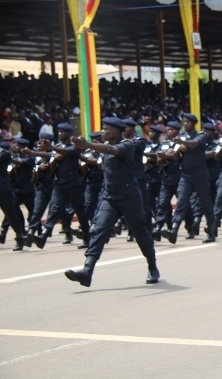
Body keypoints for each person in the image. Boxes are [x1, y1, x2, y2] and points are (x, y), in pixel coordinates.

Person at [64, 117, 160, 287]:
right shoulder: (104, 150)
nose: (102, 131)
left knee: (140, 233)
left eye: (105, 129)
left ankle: (152, 266)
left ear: (115, 131)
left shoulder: (127, 145)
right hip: (110, 197)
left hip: (130, 196)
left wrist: (88, 145)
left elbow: (111, 149)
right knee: (99, 231)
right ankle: (87, 271)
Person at [161, 113, 217, 244]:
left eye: (187, 121)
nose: (185, 124)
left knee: (205, 202)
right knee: (182, 202)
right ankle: (173, 231)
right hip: (185, 175)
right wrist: (178, 150)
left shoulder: (201, 135)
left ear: (193, 123)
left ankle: (211, 232)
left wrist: (182, 142)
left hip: (200, 174)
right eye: (183, 122)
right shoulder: (182, 138)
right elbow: (175, 158)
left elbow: (195, 143)